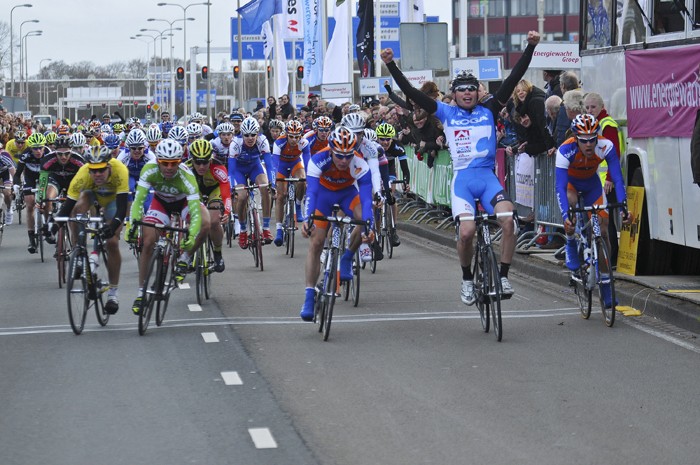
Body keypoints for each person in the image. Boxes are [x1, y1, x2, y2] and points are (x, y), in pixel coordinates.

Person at [381, 30, 542, 305]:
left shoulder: (489, 108)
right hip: (463, 183)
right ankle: (467, 278)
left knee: (510, 223)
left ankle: (503, 275)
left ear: (477, 92)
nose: (467, 93)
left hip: (488, 179)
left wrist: (529, 47)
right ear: (453, 94)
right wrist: (392, 65)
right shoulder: (445, 112)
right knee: (467, 233)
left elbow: (515, 76)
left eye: (471, 89)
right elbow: (410, 93)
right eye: (461, 90)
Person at [127, 139, 210, 313]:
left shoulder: (187, 177)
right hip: (161, 203)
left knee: (206, 221)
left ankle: (185, 258)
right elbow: (138, 201)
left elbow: (195, 214)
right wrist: (132, 226)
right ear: (158, 161)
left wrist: (192, 235)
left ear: (179, 162)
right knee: (148, 241)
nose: (169, 167)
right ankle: (141, 293)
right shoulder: (149, 170)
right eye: (165, 163)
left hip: (184, 203)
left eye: (174, 163)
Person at [300, 126, 374, 321]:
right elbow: (312, 193)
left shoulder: (359, 164)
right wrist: (308, 219)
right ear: (331, 150)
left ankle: (348, 257)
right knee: (316, 242)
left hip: (347, 193)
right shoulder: (318, 159)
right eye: (339, 156)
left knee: (362, 218)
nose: (343, 161)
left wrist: (369, 226)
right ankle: (309, 295)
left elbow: (366, 200)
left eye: (348, 156)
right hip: (322, 195)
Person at [555, 114, 629, 309]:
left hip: (592, 185)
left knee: (603, 231)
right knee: (571, 205)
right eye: (583, 141)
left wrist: (623, 205)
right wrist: (565, 217)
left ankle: (606, 285)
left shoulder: (606, 145)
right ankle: (571, 240)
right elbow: (560, 187)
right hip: (570, 185)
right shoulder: (565, 150)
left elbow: (618, 178)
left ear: (597, 136)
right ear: (576, 138)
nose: (588, 145)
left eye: (592, 139)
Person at [53, 145, 130, 314]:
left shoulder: (120, 170)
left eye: (101, 170)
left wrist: (113, 226)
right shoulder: (83, 174)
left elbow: (122, 208)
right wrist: (53, 226)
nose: (97, 174)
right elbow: (67, 207)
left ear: (108, 167)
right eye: (93, 171)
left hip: (113, 201)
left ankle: (113, 293)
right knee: (76, 211)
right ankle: (79, 250)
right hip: (92, 195)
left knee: (112, 243)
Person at [584, 92, 626, 265]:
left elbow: (614, 153)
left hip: (607, 182)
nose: (590, 110)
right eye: (587, 107)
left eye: (593, 107)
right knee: (600, 220)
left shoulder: (606, 124)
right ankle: (602, 256)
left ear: (602, 107)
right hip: (597, 181)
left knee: (606, 222)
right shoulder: (592, 124)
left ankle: (611, 257)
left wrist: (609, 178)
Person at [184, 138, 231, 272]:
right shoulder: (186, 169)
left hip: (214, 191)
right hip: (195, 191)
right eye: (198, 162)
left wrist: (226, 212)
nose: (201, 166)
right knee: (191, 220)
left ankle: (217, 253)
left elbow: (227, 194)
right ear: (191, 160)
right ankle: (189, 252)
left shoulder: (219, 168)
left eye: (205, 162)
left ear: (211, 159)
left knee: (214, 221)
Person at [229, 117, 275, 248]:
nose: (250, 138)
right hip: (239, 170)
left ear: (257, 133)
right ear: (242, 134)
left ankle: (265, 228)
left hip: (255, 167)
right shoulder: (235, 143)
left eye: (253, 135)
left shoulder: (263, 141)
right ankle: (243, 231)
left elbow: (270, 166)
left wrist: (273, 184)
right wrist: (233, 187)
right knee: (242, 196)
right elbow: (231, 171)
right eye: (246, 135)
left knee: (266, 189)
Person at [272, 120, 310, 246]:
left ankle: (298, 206)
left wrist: (310, 179)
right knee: (281, 196)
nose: (294, 140)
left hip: (295, 163)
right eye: (291, 136)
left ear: (300, 136)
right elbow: (275, 164)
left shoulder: (304, 143)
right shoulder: (279, 142)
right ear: (287, 134)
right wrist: (275, 180)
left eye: (296, 137)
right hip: (281, 166)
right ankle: (278, 230)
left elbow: (307, 161)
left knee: (302, 180)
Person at [13, 132, 51, 254]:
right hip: (30, 176)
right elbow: (18, 174)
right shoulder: (25, 155)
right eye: (35, 148)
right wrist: (16, 185)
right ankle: (31, 239)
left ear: (44, 147)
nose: (38, 150)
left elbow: (55, 172)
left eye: (40, 147)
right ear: (31, 148)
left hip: (44, 176)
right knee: (29, 204)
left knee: (46, 201)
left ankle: (48, 227)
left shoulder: (49, 154)